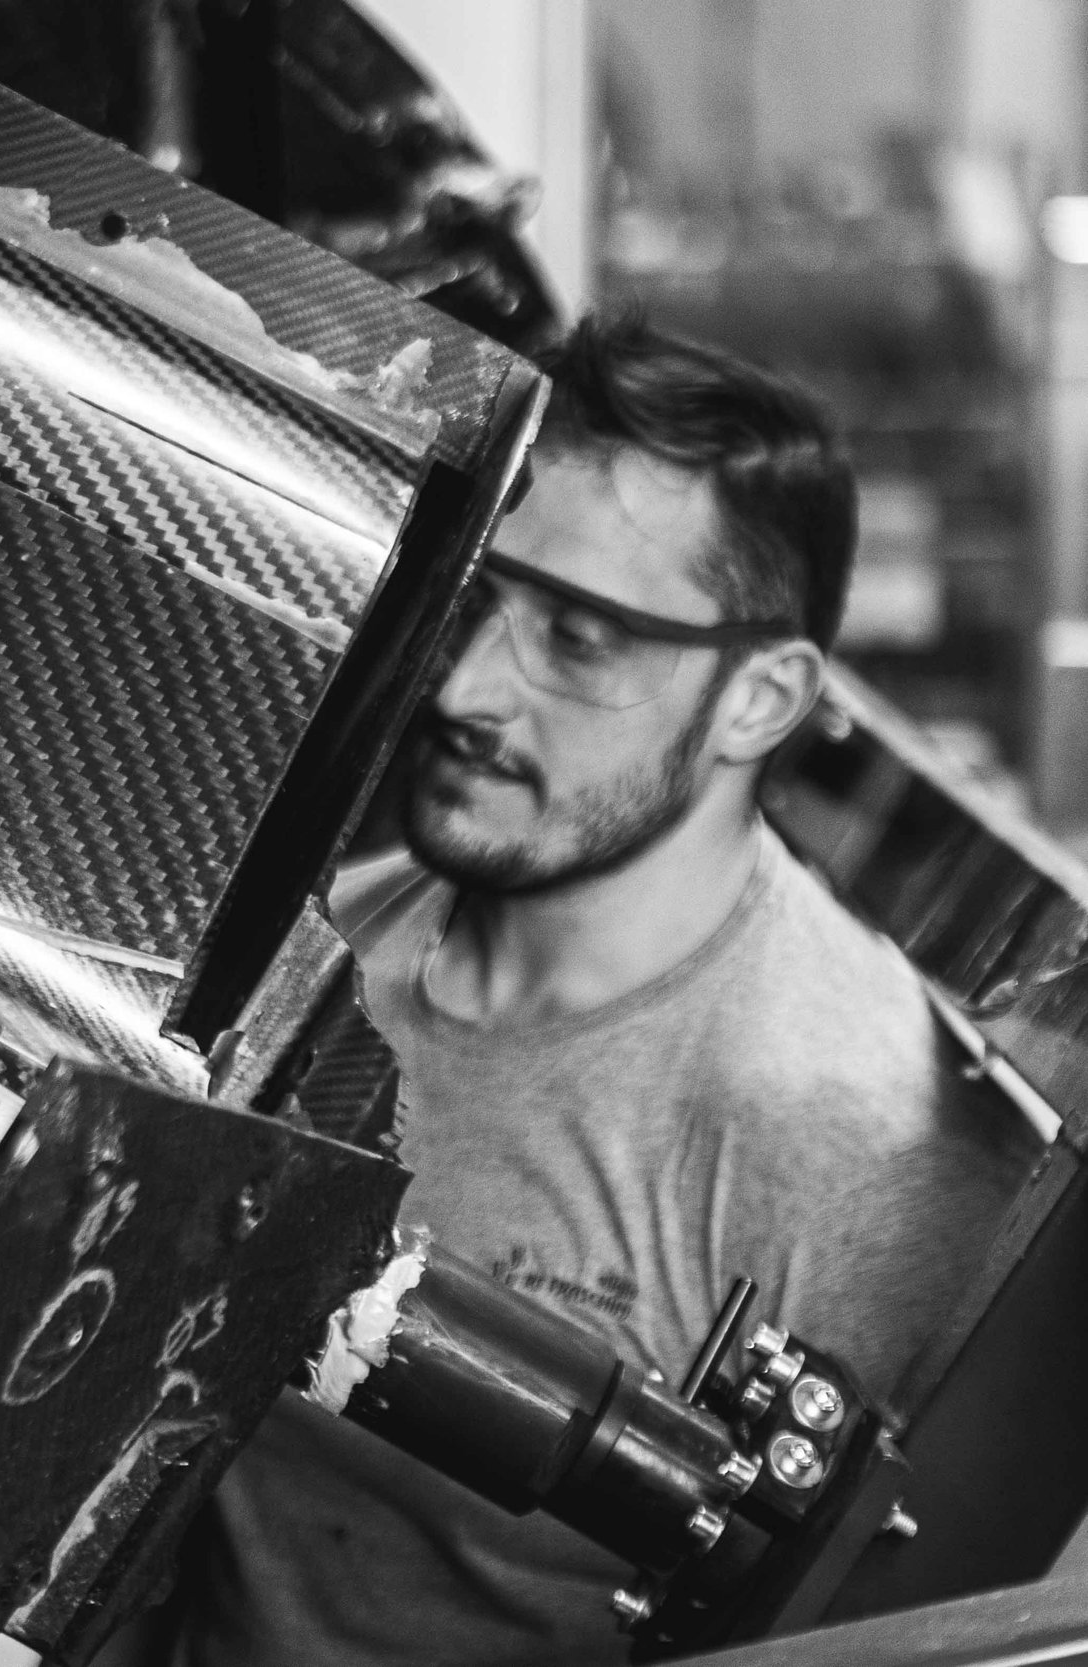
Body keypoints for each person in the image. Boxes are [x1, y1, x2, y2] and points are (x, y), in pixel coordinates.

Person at [149, 312, 1036, 1666]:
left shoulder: (855, 1157)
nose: (465, 691)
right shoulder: (359, 916)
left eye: (580, 638)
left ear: (759, 698)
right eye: (480, 599)